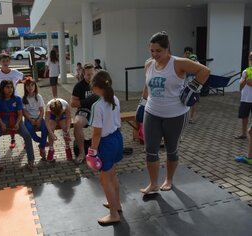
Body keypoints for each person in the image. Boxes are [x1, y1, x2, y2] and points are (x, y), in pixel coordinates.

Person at [137, 31, 210, 194]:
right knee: (150, 150)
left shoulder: (178, 63)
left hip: (175, 115)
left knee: (171, 150)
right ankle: (153, 183)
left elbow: (204, 71)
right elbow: (147, 85)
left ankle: (169, 180)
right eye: (152, 51)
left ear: (167, 48)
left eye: (158, 51)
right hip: (152, 112)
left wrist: (193, 88)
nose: (155, 54)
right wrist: (142, 103)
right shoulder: (148, 64)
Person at [86, 70, 123, 225]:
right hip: (117, 138)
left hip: (106, 142)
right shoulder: (114, 98)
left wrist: (92, 152)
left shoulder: (97, 105)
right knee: (112, 174)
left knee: (105, 178)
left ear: (95, 86)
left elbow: (97, 133)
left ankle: (113, 214)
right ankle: (117, 205)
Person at [0, 80, 35, 171]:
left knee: (27, 136)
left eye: (11, 87)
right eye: (7, 87)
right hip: (3, 121)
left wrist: (18, 124)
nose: (10, 89)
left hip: (16, 121)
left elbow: (20, 114)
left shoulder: (17, 99)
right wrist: (1, 124)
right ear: (2, 89)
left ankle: (31, 161)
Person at [0, 53, 23, 148]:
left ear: (9, 61)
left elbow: (22, 78)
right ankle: (12, 139)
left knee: (19, 117)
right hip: (3, 100)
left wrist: (15, 83)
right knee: (7, 119)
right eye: (3, 61)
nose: (5, 63)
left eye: (7, 61)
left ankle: (24, 138)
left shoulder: (15, 72)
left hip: (15, 99)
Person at [71, 63, 99, 164]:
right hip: (85, 111)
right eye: (88, 75)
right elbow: (73, 103)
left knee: (113, 118)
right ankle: (82, 153)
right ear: (83, 74)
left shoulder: (99, 84)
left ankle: (107, 148)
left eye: (92, 74)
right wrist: (87, 101)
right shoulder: (79, 86)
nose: (90, 77)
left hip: (99, 111)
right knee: (77, 123)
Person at [22, 78, 48, 160]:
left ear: (35, 86)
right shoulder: (24, 98)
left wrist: (40, 119)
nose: (30, 87)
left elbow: (42, 110)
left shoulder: (38, 97)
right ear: (25, 87)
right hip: (29, 119)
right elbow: (24, 112)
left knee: (45, 128)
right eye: (28, 85)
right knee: (29, 129)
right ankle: (41, 141)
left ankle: (42, 147)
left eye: (32, 85)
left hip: (39, 117)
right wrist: (30, 119)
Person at [236, 51, 252, 139]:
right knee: (244, 117)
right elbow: (241, 85)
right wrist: (245, 79)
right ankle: (244, 133)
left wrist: (250, 82)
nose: (251, 60)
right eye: (250, 58)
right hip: (245, 98)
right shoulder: (245, 71)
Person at [183, 46, 199, 123]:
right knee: (184, 102)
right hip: (185, 86)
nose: (188, 55)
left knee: (193, 103)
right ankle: (185, 117)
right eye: (186, 53)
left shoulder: (197, 63)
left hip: (195, 87)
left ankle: (192, 118)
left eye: (189, 53)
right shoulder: (182, 63)